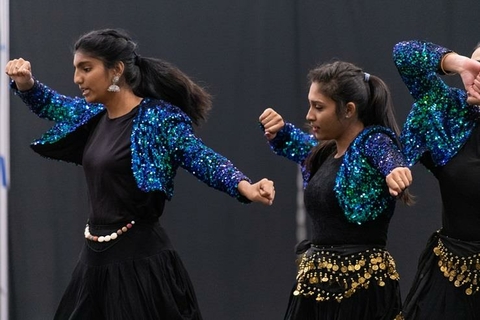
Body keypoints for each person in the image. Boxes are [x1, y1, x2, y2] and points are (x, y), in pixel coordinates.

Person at [5, 28, 275, 320]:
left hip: (141, 267)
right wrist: (26, 83)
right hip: (93, 263)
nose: (77, 79)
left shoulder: (157, 118)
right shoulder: (93, 114)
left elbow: (199, 155)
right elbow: (54, 105)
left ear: (116, 70)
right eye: (75, 69)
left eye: (86, 68)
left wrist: (243, 185)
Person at [259, 60, 413, 320]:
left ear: (348, 110)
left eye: (318, 107)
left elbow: (386, 153)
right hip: (316, 287)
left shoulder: (372, 141)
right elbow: (297, 142)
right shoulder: (326, 151)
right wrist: (278, 129)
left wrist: (395, 169)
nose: (309, 115)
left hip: (361, 290)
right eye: (310, 105)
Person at [393, 40, 480, 319]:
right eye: (476, 66)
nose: (476, 76)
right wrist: (459, 63)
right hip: (451, 283)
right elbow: (403, 53)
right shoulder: (450, 112)